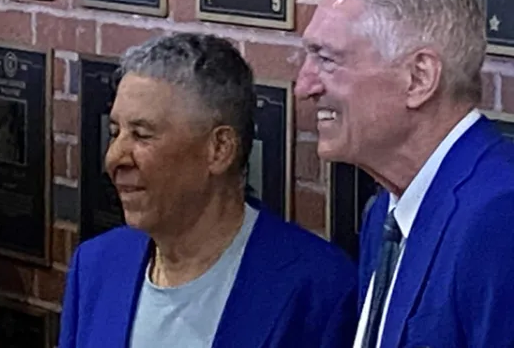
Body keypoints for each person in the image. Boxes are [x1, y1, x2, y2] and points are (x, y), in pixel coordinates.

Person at [59, 33, 356, 348]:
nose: (114, 158)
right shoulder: (95, 267)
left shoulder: (319, 290)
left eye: (142, 135)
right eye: (115, 132)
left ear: (219, 149)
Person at [297, 0, 514, 347]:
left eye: (327, 60)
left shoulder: (500, 219)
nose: (304, 87)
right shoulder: (387, 210)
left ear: (418, 78)